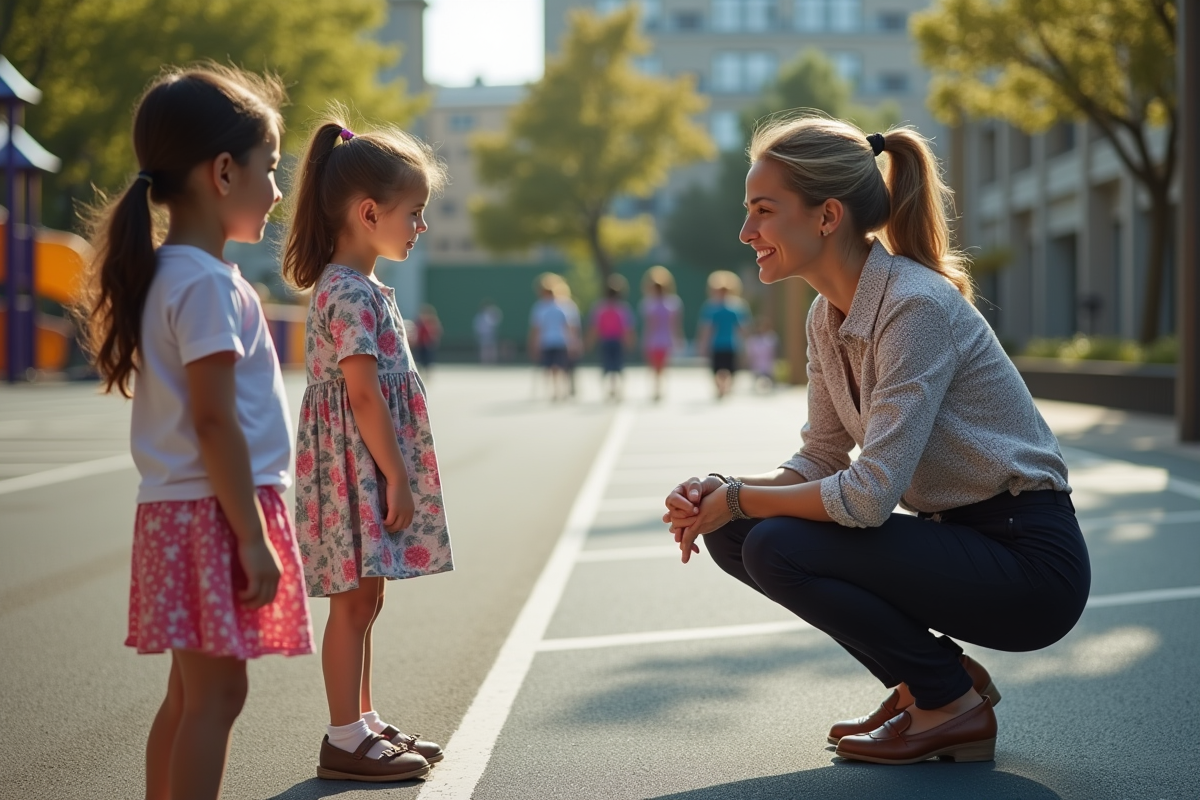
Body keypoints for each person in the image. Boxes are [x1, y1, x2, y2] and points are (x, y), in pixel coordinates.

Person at [664, 117, 1090, 766]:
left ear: (827, 215)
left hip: (1028, 562)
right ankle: (936, 685)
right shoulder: (824, 315)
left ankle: (948, 701)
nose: (747, 232)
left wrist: (746, 498)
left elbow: (866, 498)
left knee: (772, 537)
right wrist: (724, 495)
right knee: (735, 532)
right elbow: (822, 457)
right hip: (958, 539)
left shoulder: (913, 306)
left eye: (763, 210)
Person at [77, 65, 314, 800]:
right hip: (213, 514)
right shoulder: (209, 285)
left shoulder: (169, 274)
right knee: (216, 699)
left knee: (187, 697)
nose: (276, 192)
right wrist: (251, 535)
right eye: (269, 170)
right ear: (221, 173)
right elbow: (214, 421)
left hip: (174, 512)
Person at [281, 114, 453, 783]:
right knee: (352, 601)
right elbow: (360, 396)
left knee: (367, 599)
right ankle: (343, 736)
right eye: (415, 213)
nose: (422, 225)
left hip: (363, 466)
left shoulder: (363, 287)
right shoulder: (349, 292)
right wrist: (397, 476)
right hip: (356, 469)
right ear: (369, 211)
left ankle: (364, 719)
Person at [696, 270, 750, 399]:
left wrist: (702, 344)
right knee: (723, 368)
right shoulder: (732, 307)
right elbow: (742, 328)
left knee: (722, 368)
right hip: (723, 344)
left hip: (725, 344)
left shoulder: (722, 307)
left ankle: (722, 387)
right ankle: (723, 387)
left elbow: (707, 329)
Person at [528, 273, 580, 401]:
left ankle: (559, 390)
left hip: (558, 341)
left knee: (558, 367)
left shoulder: (562, 306)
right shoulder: (541, 307)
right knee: (552, 368)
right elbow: (538, 328)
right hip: (549, 342)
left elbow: (568, 326)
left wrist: (572, 342)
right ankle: (556, 390)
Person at [588, 274, 636, 401]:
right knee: (617, 365)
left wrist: (590, 342)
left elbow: (595, 328)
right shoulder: (621, 308)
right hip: (615, 341)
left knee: (608, 365)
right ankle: (616, 389)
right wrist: (629, 342)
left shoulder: (601, 308)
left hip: (607, 341)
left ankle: (611, 389)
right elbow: (627, 329)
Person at [639, 265, 683, 402]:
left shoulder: (672, 303)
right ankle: (656, 387)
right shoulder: (649, 303)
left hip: (663, 339)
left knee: (661, 365)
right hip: (656, 339)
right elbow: (649, 325)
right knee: (655, 365)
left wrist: (677, 338)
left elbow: (674, 324)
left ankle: (659, 387)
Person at [744, 319, 779, 392]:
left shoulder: (772, 338)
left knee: (769, 377)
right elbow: (750, 353)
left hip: (768, 364)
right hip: (756, 365)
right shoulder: (753, 340)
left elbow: (774, 352)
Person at [413, 304, 442, 372]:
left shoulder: (432, 322)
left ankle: (427, 369)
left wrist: (434, 339)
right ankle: (421, 369)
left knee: (428, 358)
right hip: (420, 343)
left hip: (427, 344)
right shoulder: (419, 322)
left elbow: (436, 331)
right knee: (419, 358)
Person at [473, 299, 503, 363]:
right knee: (484, 349)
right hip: (483, 335)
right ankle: (484, 362)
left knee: (492, 348)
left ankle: (492, 362)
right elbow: (477, 326)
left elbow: (496, 321)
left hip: (491, 334)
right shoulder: (479, 316)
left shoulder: (491, 314)